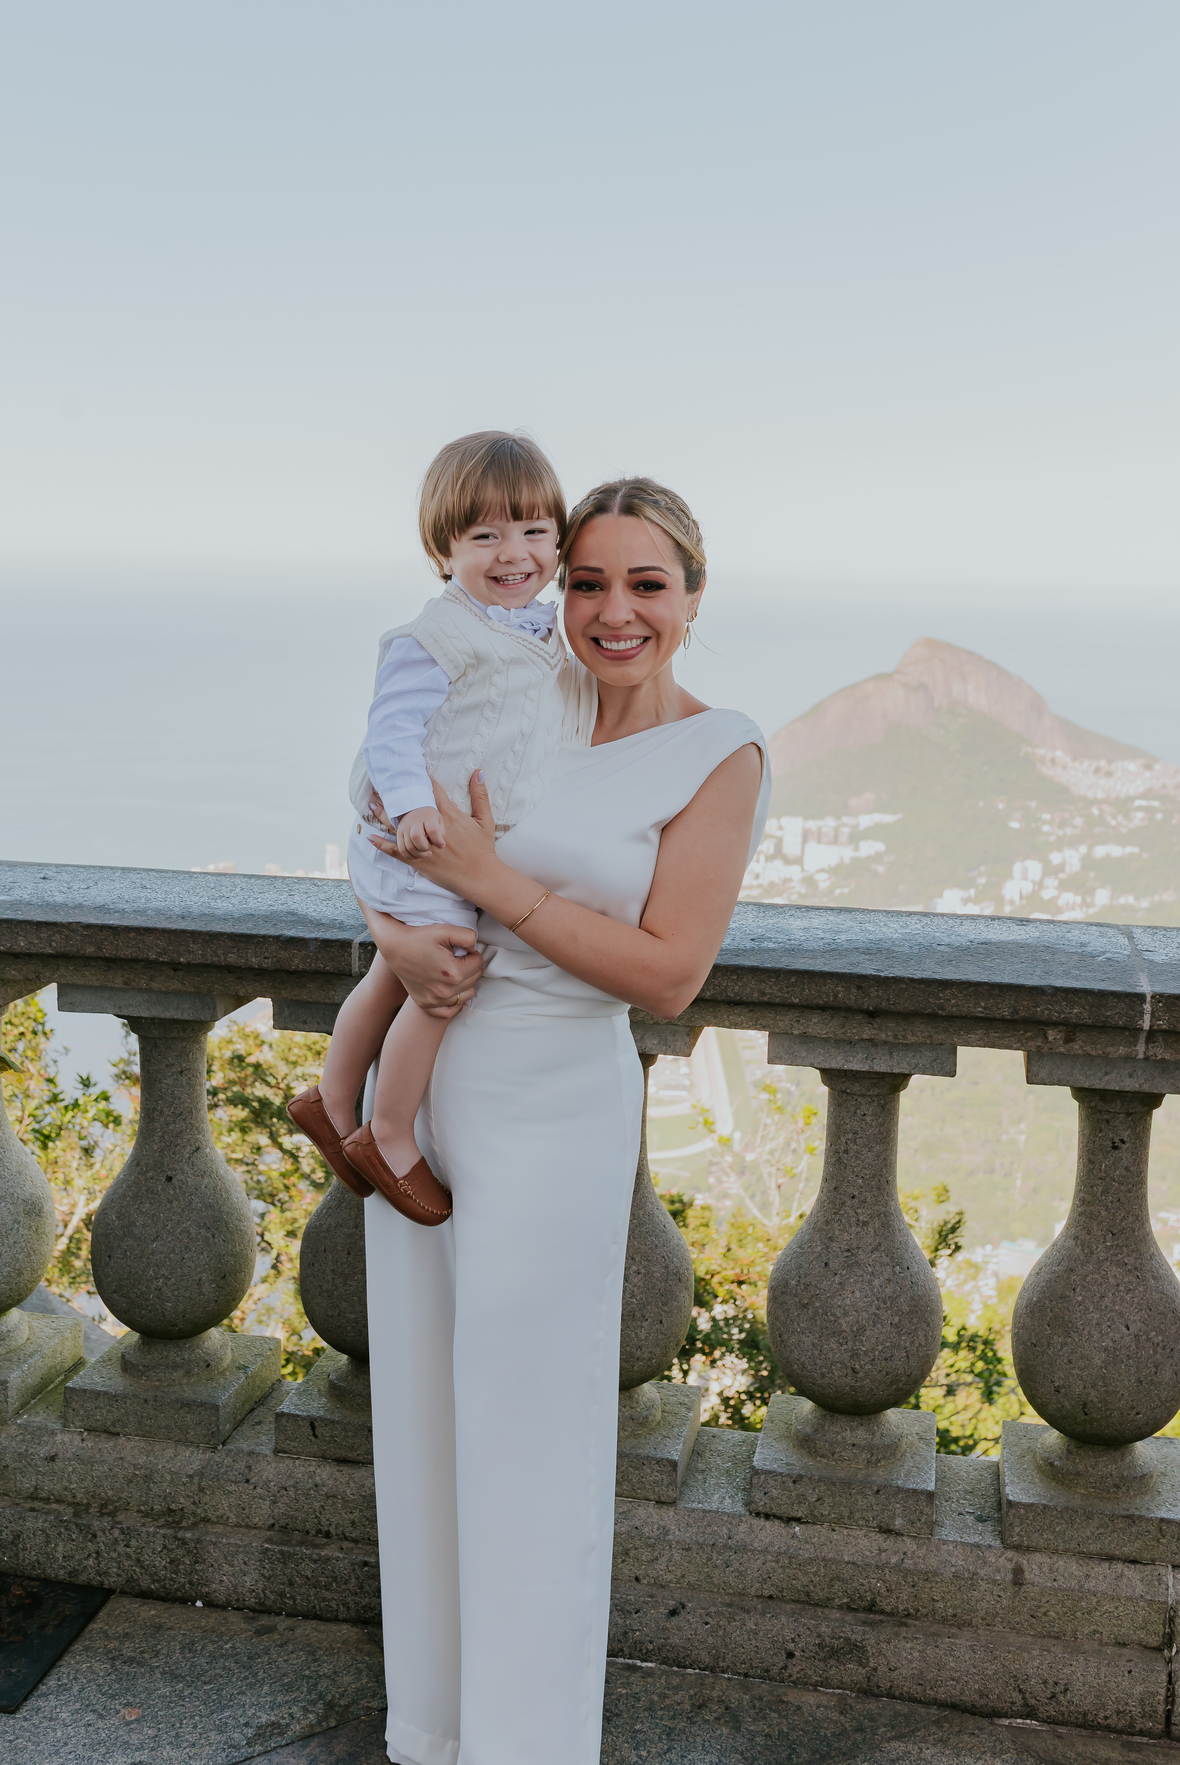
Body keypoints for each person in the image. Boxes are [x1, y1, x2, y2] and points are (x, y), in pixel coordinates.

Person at [358, 474, 771, 1765]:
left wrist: (493, 884)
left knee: (528, 1434)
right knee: (426, 1418)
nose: (613, 610)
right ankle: (436, 1729)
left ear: (693, 597)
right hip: (429, 1089)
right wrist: (393, 936)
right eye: (587, 580)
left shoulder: (720, 751)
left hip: (554, 1108)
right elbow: (378, 812)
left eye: (647, 583)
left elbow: (671, 974)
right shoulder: (514, 681)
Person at [287, 431, 569, 1222]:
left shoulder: (536, 628)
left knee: (392, 972)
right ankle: (387, 1133)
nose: (514, 553)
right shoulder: (437, 635)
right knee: (444, 982)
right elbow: (391, 730)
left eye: (534, 531)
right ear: (443, 550)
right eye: (485, 536)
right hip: (419, 842)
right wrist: (413, 806)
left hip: (440, 846)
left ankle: (330, 1097)